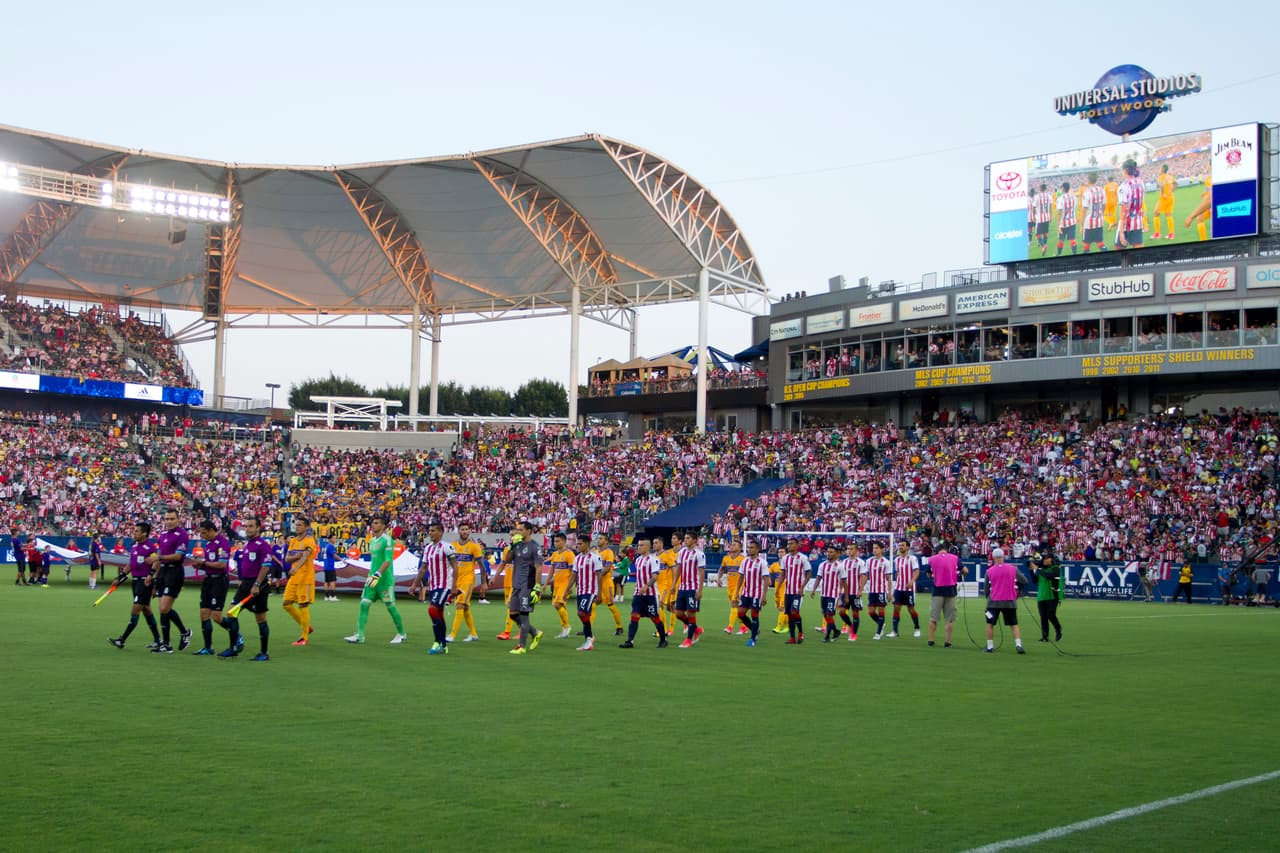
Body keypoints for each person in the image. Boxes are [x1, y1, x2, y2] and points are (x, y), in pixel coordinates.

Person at [344, 516, 408, 645]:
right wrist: (372, 575)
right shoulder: (372, 540)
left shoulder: (388, 540)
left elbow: (388, 560)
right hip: (372, 578)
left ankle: (402, 634)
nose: (373, 525)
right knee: (364, 604)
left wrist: (378, 574)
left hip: (384, 579)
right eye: (373, 523)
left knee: (390, 606)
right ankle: (360, 635)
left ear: (383, 526)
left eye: (377, 523)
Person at [221, 515, 274, 661]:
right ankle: (233, 648)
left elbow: (265, 566)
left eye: (251, 526)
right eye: (246, 526)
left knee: (260, 618)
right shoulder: (247, 544)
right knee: (231, 613)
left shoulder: (262, 545)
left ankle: (264, 652)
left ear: (258, 528)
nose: (248, 529)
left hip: (258, 586)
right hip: (245, 585)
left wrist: (257, 584)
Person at [107, 521, 162, 650]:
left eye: (137, 531)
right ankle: (158, 640)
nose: (134, 533)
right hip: (135, 582)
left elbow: (157, 562)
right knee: (146, 609)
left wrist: (152, 577)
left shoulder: (150, 547)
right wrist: (120, 577)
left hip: (145, 582)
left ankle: (122, 640)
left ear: (144, 533)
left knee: (136, 609)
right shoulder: (135, 546)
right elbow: (130, 565)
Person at [146, 507, 192, 654]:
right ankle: (169, 641)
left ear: (178, 519)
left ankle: (175, 638)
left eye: (172, 518)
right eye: (167, 519)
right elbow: (159, 555)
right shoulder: (163, 534)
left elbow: (178, 556)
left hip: (175, 572)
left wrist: (158, 558)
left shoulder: (182, 535)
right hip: (163, 572)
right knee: (163, 609)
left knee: (164, 608)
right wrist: (151, 573)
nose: (169, 521)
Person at [409, 520, 457, 655]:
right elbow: (423, 568)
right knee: (438, 613)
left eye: (433, 531)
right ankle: (443, 644)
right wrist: (414, 584)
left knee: (432, 610)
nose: (431, 533)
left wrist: (454, 586)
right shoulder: (428, 548)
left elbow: (455, 567)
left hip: (444, 585)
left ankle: (437, 642)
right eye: (429, 531)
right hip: (433, 585)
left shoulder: (447, 547)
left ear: (441, 532)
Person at [192, 519, 232, 655]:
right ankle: (208, 647)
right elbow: (210, 564)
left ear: (210, 530)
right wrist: (201, 565)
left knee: (216, 616)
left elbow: (221, 565)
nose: (202, 536)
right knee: (204, 614)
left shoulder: (223, 543)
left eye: (204, 533)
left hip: (219, 581)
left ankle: (236, 634)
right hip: (208, 580)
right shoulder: (208, 544)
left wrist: (203, 563)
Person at [619, 537, 667, 648]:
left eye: (641, 545)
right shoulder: (638, 559)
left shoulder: (653, 559)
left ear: (648, 547)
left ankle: (663, 640)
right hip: (638, 594)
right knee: (634, 616)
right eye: (638, 545)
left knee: (654, 617)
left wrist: (646, 585)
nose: (639, 547)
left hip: (650, 595)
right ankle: (629, 641)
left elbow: (655, 576)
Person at [507, 521, 545, 655]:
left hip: (527, 585)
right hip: (516, 585)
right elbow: (507, 559)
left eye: (521, 530)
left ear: (529, 531)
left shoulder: (535, 547)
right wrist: (511, 546)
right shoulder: (517, 545)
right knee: (513, 614)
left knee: (524, 616)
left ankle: (521, 646)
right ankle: (535, 632)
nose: (518, 532)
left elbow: (539, 567)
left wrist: (537, 587)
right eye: (517, 530)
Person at [282, 516, 318, 646]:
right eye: (296, 525)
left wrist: (296, 566)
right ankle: (306, 626)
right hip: (294, 577)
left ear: (307, 527)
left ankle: (304, 637)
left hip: (305, 578)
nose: (297, 527)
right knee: (286, 604)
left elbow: (305, 556)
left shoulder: (309, 541)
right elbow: (287, 558)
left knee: (303, 605)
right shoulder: (293, 541)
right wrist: (295, 557)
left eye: (300, 525)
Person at [447, 522, 486, 643]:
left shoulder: (474, 546)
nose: (465, 531)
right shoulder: (452, 545)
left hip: (468, 580)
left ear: (469, 531)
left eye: (467, 529)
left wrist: (484, 582)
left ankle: (452, 635)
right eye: (462, 529)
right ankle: (473, 634)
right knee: (465, 608)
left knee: (459, 605)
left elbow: (482, 566)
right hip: (456, 580)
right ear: (458, 531)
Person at [984, 548, 1026, 654]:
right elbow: (1024, 581)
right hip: (1010, 601)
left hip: (993, 602)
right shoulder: (1013, 569)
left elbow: (986, 589)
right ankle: (1018, 645)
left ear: (993, 558)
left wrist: (988, 598)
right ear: (1003, 556)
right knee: (1014, 624)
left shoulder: (989, 571)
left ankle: (990, 647)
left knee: (990, 624)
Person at [567, 535, 603, 651]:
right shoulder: (578, 558)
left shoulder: (595, 557)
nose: (577, 546)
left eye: (580, 544)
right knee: (582, 614)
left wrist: (599, 593)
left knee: (581, 613)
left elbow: (599, 575)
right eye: (577, 544)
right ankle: (590, 636)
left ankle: (588, 640)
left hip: (591, 590)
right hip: (580, 590)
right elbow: (573, 575)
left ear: (587, 544)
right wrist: (567, 589)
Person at [926, 540, 962, 647]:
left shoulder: (932, 559)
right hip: (951, 591)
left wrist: (934, 576)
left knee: (933, 618)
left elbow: (928, 574)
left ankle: (931, 640)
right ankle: (947, 641)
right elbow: (965, 570)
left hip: (937, 591)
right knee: (949, 619)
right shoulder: (954, 558)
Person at [734, 539, 770, 647]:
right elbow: (741, 577)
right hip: (746, 593)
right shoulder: (745, 561)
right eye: (749, 547)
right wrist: (737, 591)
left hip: (756, 594)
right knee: (740, 614)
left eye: (752, 547)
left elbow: (766, 579)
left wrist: (764, 595)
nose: (749, 549)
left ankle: (753, 639)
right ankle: (755, 630)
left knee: (754, 616)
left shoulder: (762, 562)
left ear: (758, 549)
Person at [674, 532, 706, 648]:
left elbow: (702, 573)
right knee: (678, 613)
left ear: (694, 540)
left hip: (693, 588)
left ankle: (688, 639)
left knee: (691, 613)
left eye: (688, 538)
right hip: (682, 587)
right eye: (685, 538)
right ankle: (696, 629)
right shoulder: (682, 552)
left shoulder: (699, 554)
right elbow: (678, 568)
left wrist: (700, 590)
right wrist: (674, 584)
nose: (685, 540)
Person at [811, 543, 847, 642]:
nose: (829, 554)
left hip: (833, 594)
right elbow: (818, 577)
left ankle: (827, 636)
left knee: (829, 614)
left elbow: (844, 581)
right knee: (825, 614)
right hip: (824, 594)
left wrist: (846, 595)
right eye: (828, 552)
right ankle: (835, 631)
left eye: (831, 552)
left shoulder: (839, 566)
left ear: (836, 554)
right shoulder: (822, 565)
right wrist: (814, 589)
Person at [779, 537, 811, 644]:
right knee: (789, 614)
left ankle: (801, 632)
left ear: (797, 545)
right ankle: (792, 638)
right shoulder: (785, 558)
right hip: (788, 591)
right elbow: (783, 574)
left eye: (792, 543)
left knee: (794, 611)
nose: (789, 545)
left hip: (798, 592)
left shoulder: (802, 558)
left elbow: (808, 573)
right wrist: (778, 588)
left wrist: (802, 587)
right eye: (788, 544)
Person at [591, 534, 624, 637]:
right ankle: (588, 628)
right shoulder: (595, 552)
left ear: (606, 541)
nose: (598, 540)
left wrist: (599, 575)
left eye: (601, 539)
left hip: (606, 583)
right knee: (592, 605)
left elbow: (608, 567)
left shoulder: (609, 552)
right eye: (598, 538)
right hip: (597, 583)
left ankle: (619, 627)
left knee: (611, 605)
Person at [888, 540, 922, 638]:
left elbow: (916, 571)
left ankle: (917, 628)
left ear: (907, 547)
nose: (900, 547)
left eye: (902, 545)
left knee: (910, 608)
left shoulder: (912, 558)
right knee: (896, 608)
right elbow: (897, 572)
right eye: (899, 545)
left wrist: (912, 581)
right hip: (898, 588)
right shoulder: (896, 560)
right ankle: (895, 631)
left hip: (909, 589)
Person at [547, 532, 575, 639]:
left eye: (558, 541)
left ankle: (567, 627)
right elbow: (552, 570)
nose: (556, 543)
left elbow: (573, 571)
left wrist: (571, 586)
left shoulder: (569, 554)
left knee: (557, 605)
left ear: (564, 541)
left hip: (565, 585)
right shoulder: (555, 554)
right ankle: (564, 630)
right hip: (556, 585)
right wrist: (546, 583)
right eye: (554, 541)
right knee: (560, 607)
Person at [862, 540, 892, 640]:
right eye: (874, 548)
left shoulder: (886, 562)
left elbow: (889, 578)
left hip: (881, 591)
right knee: (870, 612)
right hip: (872, 590)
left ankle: (878, 633)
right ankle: (881, 623)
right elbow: (866, 575)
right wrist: (861, 588)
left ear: (882, 549)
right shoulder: (869, 561)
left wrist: (889, 592)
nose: (874, 550)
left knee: (881, 611)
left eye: (877, 548)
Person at [716, 538, 746, 635]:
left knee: (734, 604)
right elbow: (721, 569)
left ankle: (730, 627)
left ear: (740, 548)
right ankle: (743, 627)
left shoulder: (743, 559)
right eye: (731, 544)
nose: (731, 546)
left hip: (740, 586)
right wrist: (719, 578)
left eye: (734, 545)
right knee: (735, 607)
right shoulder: (726, 558)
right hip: (730, 586)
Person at [1032, 551, 1063, 643]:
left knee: (1050, 614)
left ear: (1051, 559)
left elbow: (1048, 576)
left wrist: (1037, 569)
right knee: (1043, 617)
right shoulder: (1041, 569)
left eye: (1046, 558)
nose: (1044, 560)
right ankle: (1045, 636)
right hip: (1041, 596)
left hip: (1052, 595)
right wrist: (1032, 570)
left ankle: (1058, 628)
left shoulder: (1055, 568)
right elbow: (1034, 580)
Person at [1115, 159, 1145, 249]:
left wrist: (1120, 232)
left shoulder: (1123, 187)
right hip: (1138, 222)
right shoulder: (1141, 182)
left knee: (1119, 250)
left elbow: (1123, 212)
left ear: (1125, 171)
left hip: (1126, 224)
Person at [839, 541, 865, 642]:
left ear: (856, 550)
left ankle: (853, 634)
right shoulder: (844, 562)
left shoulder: (861, 562)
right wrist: (839, 590)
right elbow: (841, 578)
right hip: (845, 593)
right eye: (848, 549)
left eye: (851, 549)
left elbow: (863, 576)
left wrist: (860, 590)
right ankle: (851, 626)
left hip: (855, 593)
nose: (849, 551)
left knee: (855, 614)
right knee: (841, 612)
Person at [653, 536, 679, 637]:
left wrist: (673, 584)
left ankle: (663, 630)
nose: (654, 545)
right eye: (653, 543)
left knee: (660, 606)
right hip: (655, 585)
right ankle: (662, 629)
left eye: (656, 543)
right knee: (660, 608)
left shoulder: (667, 555)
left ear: (661, 544)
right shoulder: (653, 556)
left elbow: (674, 568)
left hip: (665, 585)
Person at [1153, 164, 1175, 240]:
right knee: (1168, 215)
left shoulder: (1161, 177)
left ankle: (1157, 234)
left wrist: (1163, 194)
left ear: (1162, 169)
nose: (1159, 170)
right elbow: (1175, 184)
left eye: (1160, 168)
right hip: (1171, 198)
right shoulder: (1170, 176)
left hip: (1163, 199)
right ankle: (1171, 234)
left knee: (1155, 213)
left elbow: (1161, 186)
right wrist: (1171, 192)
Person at [320, 537, 338, 601]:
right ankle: (332, 596)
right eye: (334, 538)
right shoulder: (330, 546)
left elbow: (322, 555)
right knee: (332, 581)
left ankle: (326, 596)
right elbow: (334, 555)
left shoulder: (326, 546)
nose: (335, 539)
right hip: (330, 566)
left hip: (326, 566)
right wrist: (342, 559)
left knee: (326, 581)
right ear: (330, 539)